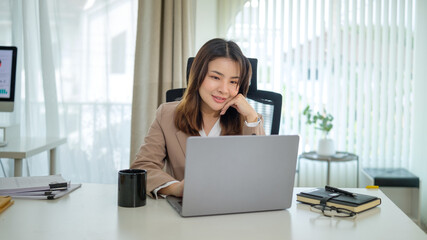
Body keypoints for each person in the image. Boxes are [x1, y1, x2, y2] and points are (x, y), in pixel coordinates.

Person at [131, 38, 265, 199]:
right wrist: (177, 188)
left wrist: (251, 116)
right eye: (215, 77)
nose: (224, 89)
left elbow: (262, 176)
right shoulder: (166, 115)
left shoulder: (249, 121)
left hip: (235, 212)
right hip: (185, 213)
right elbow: (143, 167)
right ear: (198, 76)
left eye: (233, 82)